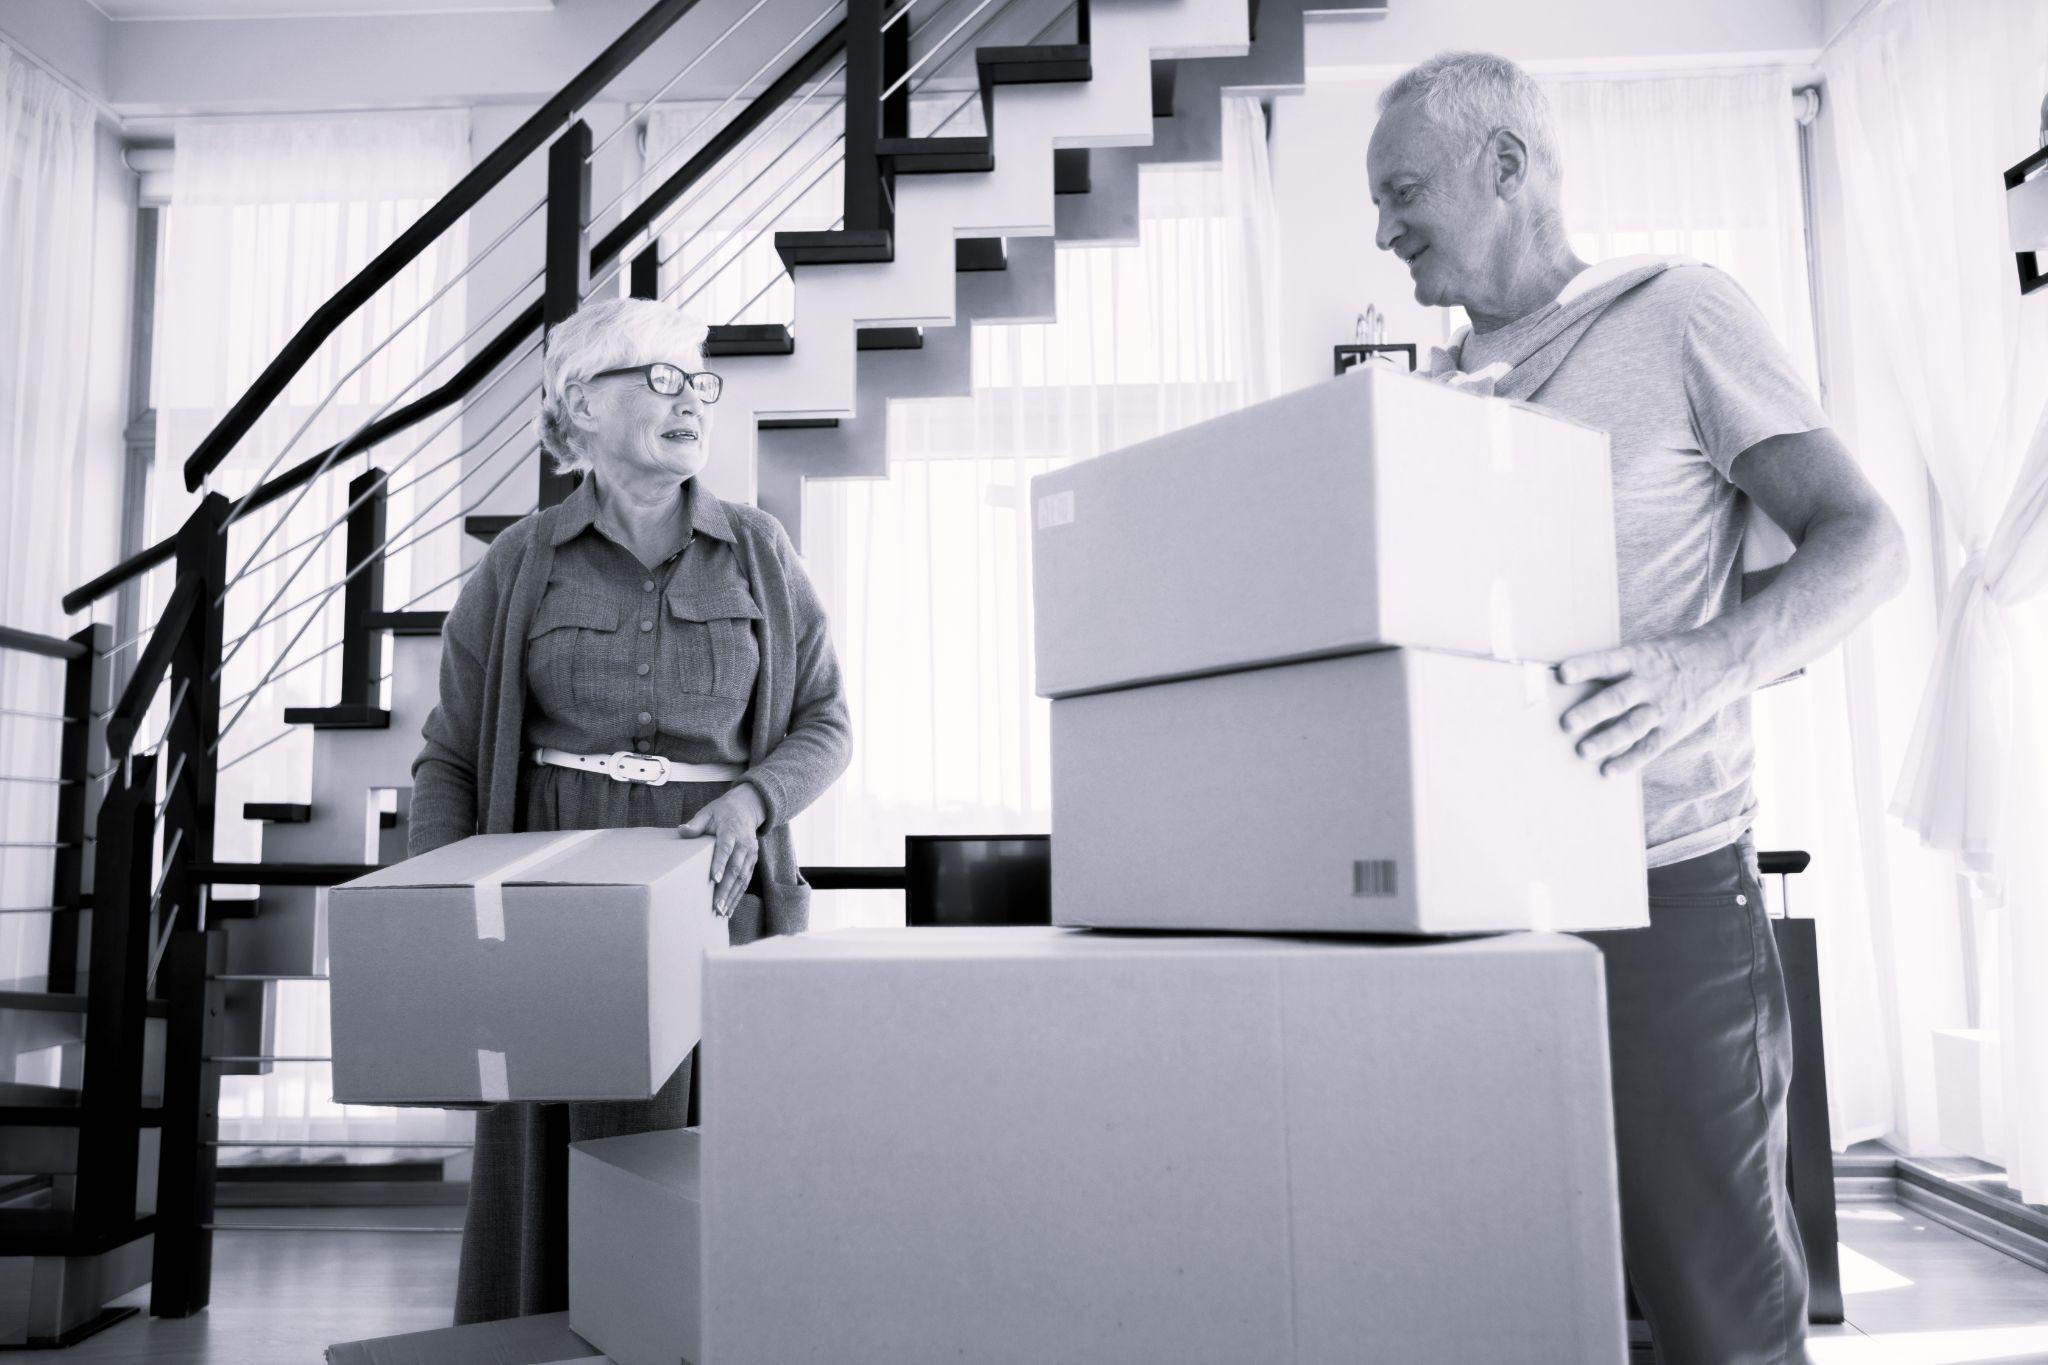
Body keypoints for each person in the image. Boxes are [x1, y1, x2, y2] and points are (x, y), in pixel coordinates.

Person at [1367, 52, 1907, 1365]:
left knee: (1717, 1318)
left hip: (1660, 898)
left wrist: (1707, 661)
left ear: (1507, 166)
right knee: (1520, 1304)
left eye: (1403, 191)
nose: (1384, 231)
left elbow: (1866, 543)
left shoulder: (1680, 318)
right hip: (1472, 914)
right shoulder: (1422, 400)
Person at [406, 295, 852, 1324]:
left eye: (696, 380)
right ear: (576, 412)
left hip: (715, 901)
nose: (688, 398)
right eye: (655, 377)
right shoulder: (520, 561)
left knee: (687, 1163)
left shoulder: (758, 551)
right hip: (550, 908)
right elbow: (450, 756)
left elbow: (825, 721)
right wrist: (444, 907)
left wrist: (751, 802)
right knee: (550, 1167)